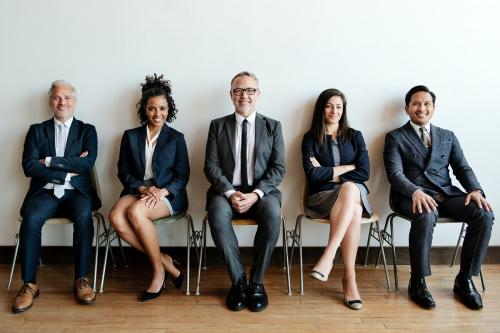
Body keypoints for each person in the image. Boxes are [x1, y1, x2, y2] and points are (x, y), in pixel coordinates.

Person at [384, 85, 494, 310]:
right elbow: (395, 174)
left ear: (434, 108)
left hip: (446, 194)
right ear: (407, 109)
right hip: (411, 195)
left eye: (426, 104)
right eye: (416, 103)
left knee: (483, 214)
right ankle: (418, 281)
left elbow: (462, 168)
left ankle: (465, 280)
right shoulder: (395, 137)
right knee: (425, 213)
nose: (421, 108)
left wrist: (476, 190)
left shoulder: (447, 136)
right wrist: (415, 191)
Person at [13, 80, 101, 313]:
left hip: (78, 192)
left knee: (84, 215)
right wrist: (64, 174)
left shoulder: (87, 130)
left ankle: (81, 279)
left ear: (74, 101)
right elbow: (29, 166)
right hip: (46, 192)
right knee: (31, 218)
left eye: (67, 98)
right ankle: (29, 284)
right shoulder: (36, 130)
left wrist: (50, 161)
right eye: (57, 98)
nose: (62, 102)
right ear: (50, 102)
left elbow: (87, 162)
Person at [204, 71, 285, 312]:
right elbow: (210, 166)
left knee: (272, 214)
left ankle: (257, 283)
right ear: (231, 95)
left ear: (258, 94)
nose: (244, 95)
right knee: (216, 214)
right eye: (238, 90)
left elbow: (279, 167)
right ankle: (238, 281)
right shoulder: (217, 126)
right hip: (226, 192)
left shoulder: (273, 126)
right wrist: (230, 193)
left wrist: (256, 194)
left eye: (250, 90)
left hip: (261, 193)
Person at [108, 74, 189, 302]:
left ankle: (158, 272)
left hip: (168, 194)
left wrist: (161, 191)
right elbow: (123, 172)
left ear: (169, 108)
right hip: (138, 190)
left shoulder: (176, 138)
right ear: (145, 109)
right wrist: (143, 190)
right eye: (152, 108)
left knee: (135, 213)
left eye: (162, 108)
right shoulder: (130, 136)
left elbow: (183, 176)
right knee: (115, 217)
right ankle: (165, 261)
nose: (157, 114)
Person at [302, 88, 372, 310]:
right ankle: (349, 281)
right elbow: (311, 174)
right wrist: (347, 168)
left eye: (339, 106)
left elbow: (365, 172)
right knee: (355, 206)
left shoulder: (355, 136)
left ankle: (329, 255)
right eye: (329, 106)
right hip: (322, 197)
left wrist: (328, 171)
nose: (334, 111)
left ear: (344, 110)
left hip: (352, 194)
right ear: (322, 108)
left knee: (351, 189)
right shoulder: (310, 138)